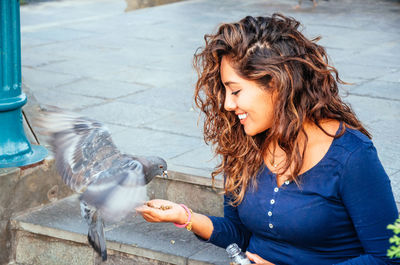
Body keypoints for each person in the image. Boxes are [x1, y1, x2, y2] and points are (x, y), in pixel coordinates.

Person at [136, 13, 399, 264]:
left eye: (235, 91)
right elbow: (239, 233)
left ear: (276, 85)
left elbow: (388, 257)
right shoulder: (243, 145)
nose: (228, 104)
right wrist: (185, 216)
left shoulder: (352, 155)